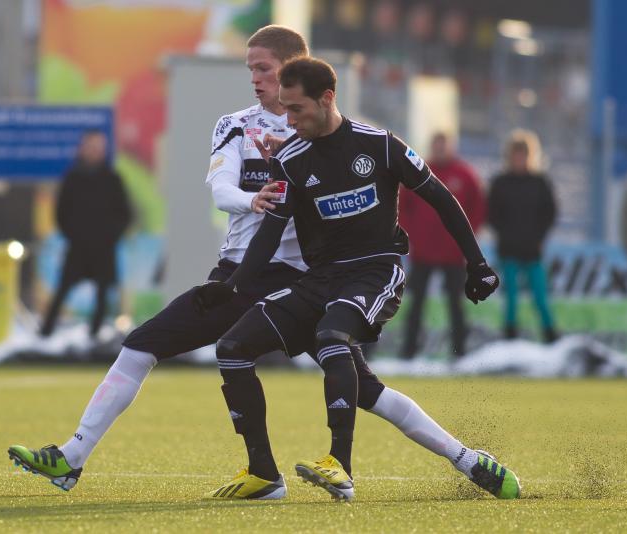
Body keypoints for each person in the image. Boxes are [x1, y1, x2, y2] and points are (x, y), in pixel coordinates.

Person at [195, 56, 520, 502]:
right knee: (233, 348)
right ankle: (265, 475)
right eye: (285, 109)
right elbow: (268, 236)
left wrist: (477, 264)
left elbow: (442, 199)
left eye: (297, 109)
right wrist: (230, 286)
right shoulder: (289, 160)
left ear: (327, 98)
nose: (289, 119)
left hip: (376, 271)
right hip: (320, 280)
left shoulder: (380, 145)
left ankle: (341, 467)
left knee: (332, 336)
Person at [9, 24, 310, 490]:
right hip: (235, 277)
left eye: (264, 68)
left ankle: (444, 457)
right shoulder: (235, 124)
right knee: (140, 345)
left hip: (299, 280)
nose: (254, 78)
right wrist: (251, 200)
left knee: (355, 379)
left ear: (293, 69)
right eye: (250, 68)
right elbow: (221, 190)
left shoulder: (321, 133)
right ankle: (72, 455)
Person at [399, 132, 486, 359]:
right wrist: (411, 236)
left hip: (453, 253)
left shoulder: (465, 175)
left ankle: (459, 352)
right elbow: (401, 206)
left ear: (451, 147)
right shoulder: (418, 171)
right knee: (416, 303)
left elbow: (477, 208)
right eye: (436, 145)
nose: (439, 150)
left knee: (456, 304)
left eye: (443, 145)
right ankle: (408, 351)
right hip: (422, 252)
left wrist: (466, 239)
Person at [39, 130, 132, 338]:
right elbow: (61, 213)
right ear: (82, 148)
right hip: (78, 247)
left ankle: (95, 334)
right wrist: (74, 234)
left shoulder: (112, 179)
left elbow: (125, 214)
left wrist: (110, 236)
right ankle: (45, 332)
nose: (94, 151)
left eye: (98, 147)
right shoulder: (72, 178)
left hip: (104, 248)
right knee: (63, 288)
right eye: (90, 146)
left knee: (103, 292)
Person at [487, 130, 558, 342]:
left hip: (533, 249)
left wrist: (539, 237)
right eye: (515, 155)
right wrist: (505, 234)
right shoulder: (500, 183)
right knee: (511, 297)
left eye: (523, 155)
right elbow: (492, 214)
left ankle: (550, 335)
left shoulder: (540, 182)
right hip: (508, 250)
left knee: (540, 296)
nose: (519, 159)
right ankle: (510, 335)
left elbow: (549, 213)